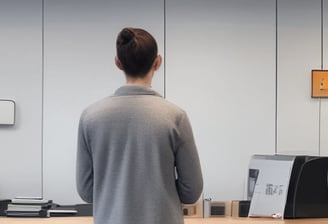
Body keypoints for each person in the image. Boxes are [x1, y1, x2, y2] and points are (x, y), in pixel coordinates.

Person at [76, 27, 203, 224]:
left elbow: (86, 191)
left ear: (118, 63)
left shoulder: (90, 117)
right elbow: (191, 191)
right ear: (158, 62)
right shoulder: (175, 117)